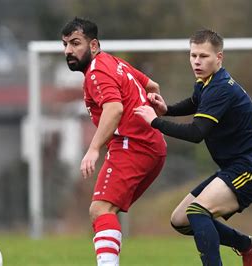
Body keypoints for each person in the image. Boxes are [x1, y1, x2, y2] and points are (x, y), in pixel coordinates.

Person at [134, 29, 252, 266]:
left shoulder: (221, 88)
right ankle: (246, 245)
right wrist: (166, 109)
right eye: (193, 55)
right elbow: (194, 102)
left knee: (197, 211)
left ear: (219, 57)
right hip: (235, 167)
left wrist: (155, 121)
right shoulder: (206, 83)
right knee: (180, 219)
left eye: (204, 56)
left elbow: (196, 133)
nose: (197, 62)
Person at [61, 17, 167, 266]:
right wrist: (156, 110)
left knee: (100, 210)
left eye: (76, 43)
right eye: (65, 45)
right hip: (154, 146)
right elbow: (153, 86)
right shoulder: (114, 62)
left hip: (133, 145)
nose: (68, 51)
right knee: (104, 211)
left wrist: (93, 149)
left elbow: (114, 109)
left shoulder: (96, 71)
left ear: (94, 45)